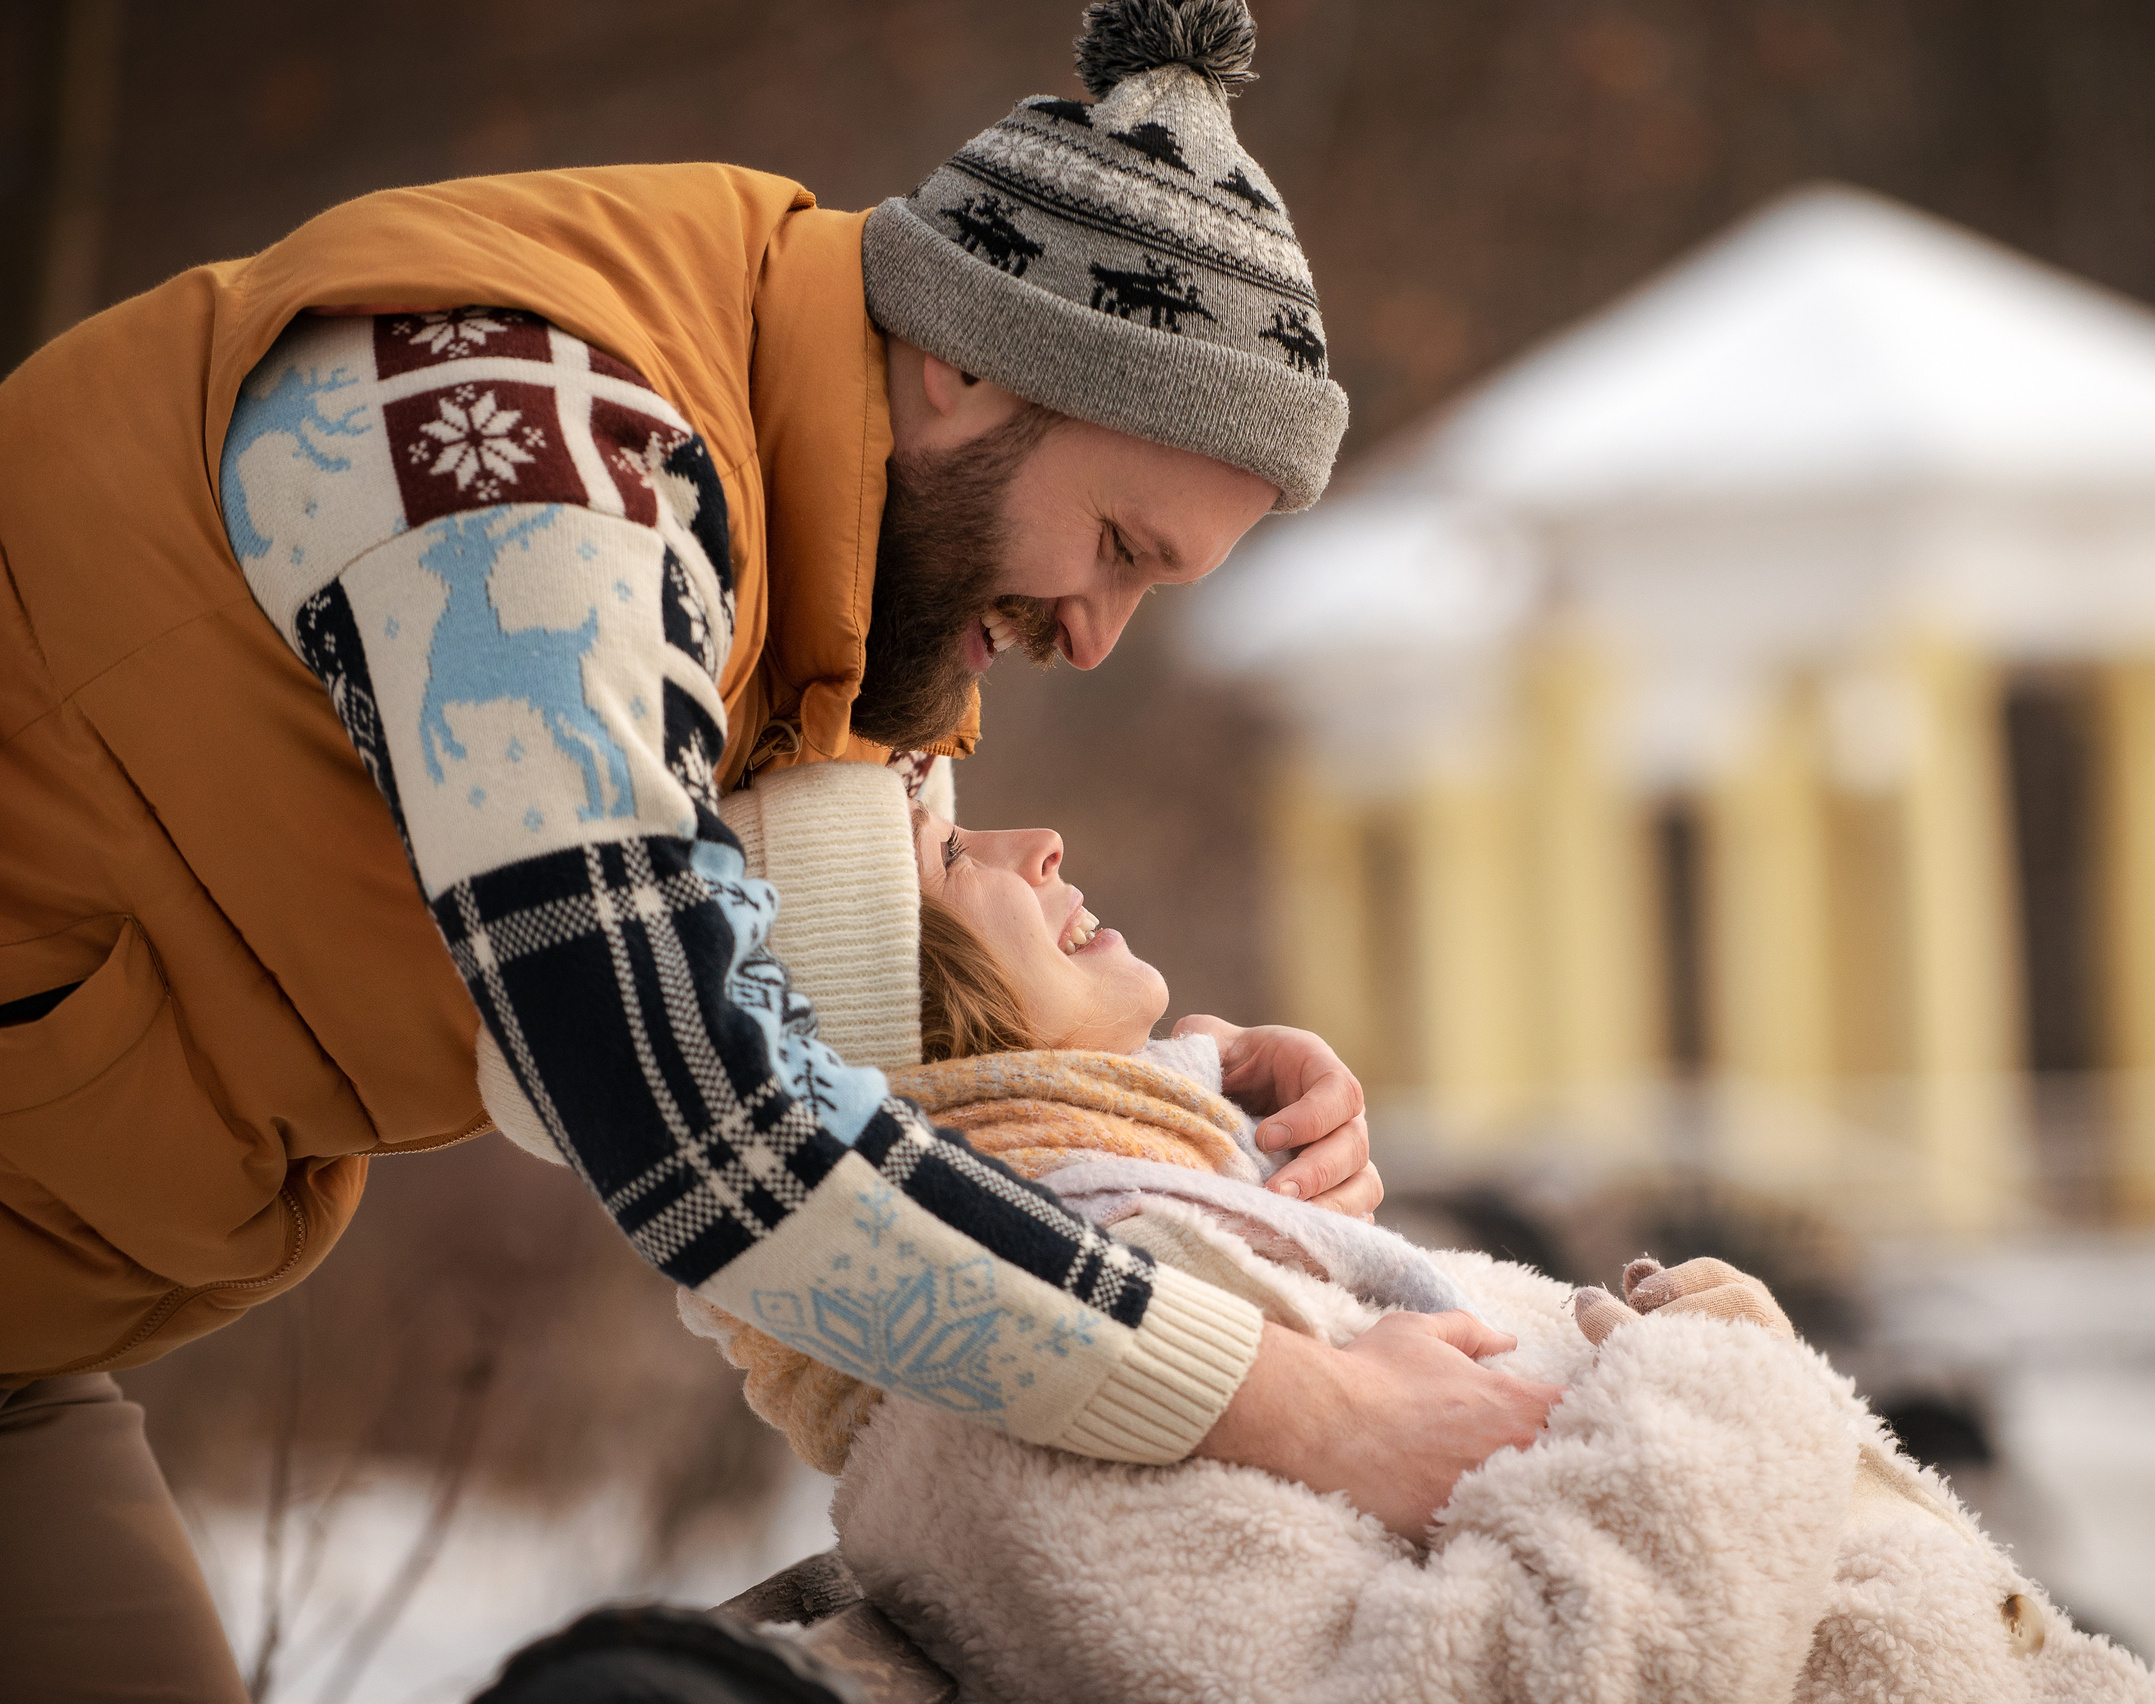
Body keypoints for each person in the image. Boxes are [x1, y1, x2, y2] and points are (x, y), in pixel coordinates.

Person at [0, 3, 1556, 1696]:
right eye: (1112, 545)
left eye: (1147, 585)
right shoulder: (515, 460)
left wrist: (1195, 1097)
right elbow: (694, 1117)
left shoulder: (826, 565)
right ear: (965, 363)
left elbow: (889, 1039)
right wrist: (1315, 1414)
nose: (1093, 637)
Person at [661, 807, 2155, 1703]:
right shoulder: (1022, 1401)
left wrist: (1203, 1118)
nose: (1033, 838)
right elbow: (1513, 1673)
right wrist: (1730, 1386)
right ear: (898, 1027)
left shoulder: (1160, 1256)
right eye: (944, 855)